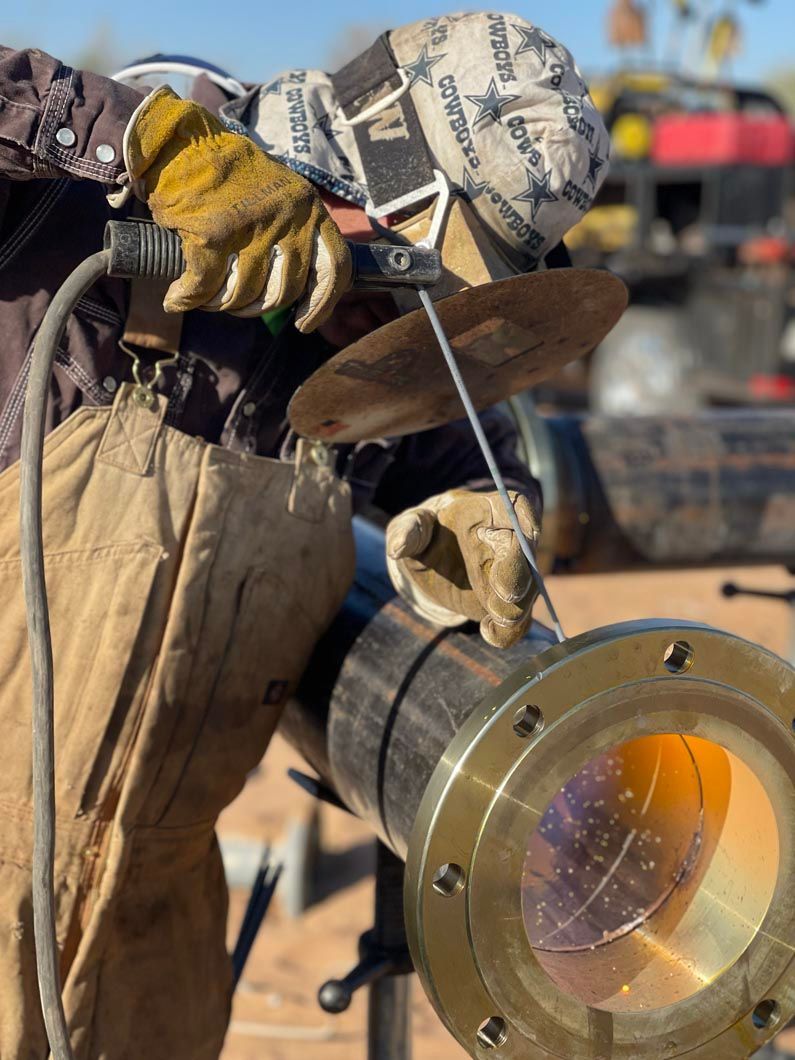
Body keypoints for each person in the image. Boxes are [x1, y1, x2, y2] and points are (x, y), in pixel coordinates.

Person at [0, 14, 609, 1058]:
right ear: (365, 168)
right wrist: (141, 140)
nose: (407, 329)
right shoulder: (72, 214)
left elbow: (466, 438)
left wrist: (488, 501)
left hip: (150, 952)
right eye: (414, 280)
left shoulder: (359, 360)